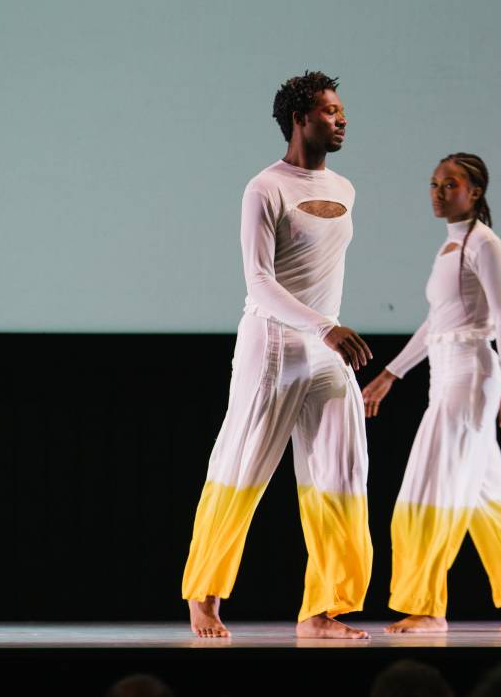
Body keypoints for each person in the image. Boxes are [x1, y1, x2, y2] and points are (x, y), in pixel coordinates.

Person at [182, 71, 374, 639]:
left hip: (324, 351)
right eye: (330, 111)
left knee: (341, 471)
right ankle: (205, 595)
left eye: (342, 111)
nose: (341, 120)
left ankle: (324, 609)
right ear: (300, 119)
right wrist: (326, 327)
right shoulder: (264, 188)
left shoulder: (345, 189)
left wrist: (328, 334)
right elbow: (259, 283)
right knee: (242, 467)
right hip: (273, 345)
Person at [361, 153, 501, 634]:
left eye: (451, 184)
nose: (439, 192)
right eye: (435, 184)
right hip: (446, 375)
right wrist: (390, 374)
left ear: (475, 192)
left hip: (471, 377)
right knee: (487, 498)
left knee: (428, 490)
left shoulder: (485, 244)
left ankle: (428, 606)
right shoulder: (449, 248)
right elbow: (435, 325)